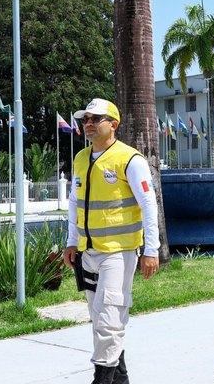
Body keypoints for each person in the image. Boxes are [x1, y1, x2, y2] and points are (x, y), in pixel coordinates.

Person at [61, 98, 160, 384]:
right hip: (87, 252)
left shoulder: (130, 159)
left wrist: (150, 250)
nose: (88, 124)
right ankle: (121, 379)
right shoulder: (81, 158)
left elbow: (148, 205)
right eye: (85, 119)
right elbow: (74, 203)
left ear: (113, 124)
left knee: (108, 319)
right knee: (102, 320)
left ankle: (101, 380)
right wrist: (71, 242)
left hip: (119, 252)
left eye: (95, 119)